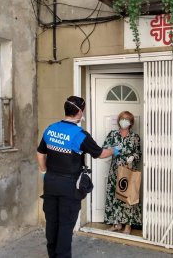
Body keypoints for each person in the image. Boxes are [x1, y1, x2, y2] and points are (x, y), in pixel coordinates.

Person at [36, 96, 120, 258]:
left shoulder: (50, 129)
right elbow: (101, 154)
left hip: (50, 183)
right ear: (80, 112)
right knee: (66, 225)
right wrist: (114, 150)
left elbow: (40, 153)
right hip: (69, 185)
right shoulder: (80, 134)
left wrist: (44, 172)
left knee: (52, 223)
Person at [102, 111, 142, 235]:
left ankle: (128, 226)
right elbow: (104, 149)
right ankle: (116, 223)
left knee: (128, 197)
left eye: (127, 119)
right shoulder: (113, 135)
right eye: (122, 118)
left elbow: (138, 154)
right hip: (115, 171)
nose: (124, 121)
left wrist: (132, 158)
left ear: (131, 123)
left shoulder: (135, 137)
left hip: (129, 171)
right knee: (114, 196)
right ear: (119, 120)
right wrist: (113, 151)